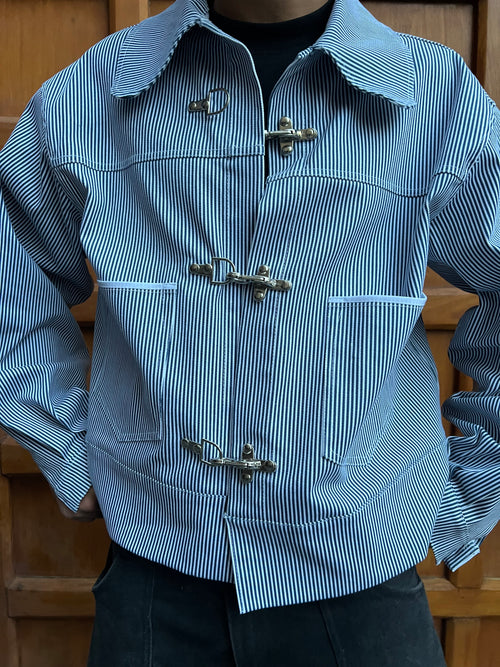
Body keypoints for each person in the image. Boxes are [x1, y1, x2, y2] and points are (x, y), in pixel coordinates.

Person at [0, 0, 499, 664]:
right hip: (157, 568)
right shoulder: (98, 88)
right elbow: (10, 270)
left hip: (363, 580)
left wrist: (466, 492)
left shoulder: (434, 95)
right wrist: (65, 445)